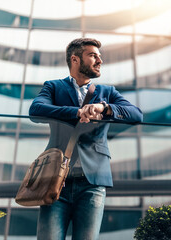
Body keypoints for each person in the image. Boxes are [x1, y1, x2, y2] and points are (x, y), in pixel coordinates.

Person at [29, 38, 143, 240]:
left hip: (93, 183)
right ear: (75, 59)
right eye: (93, 55)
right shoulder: (54, 87)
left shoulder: (107, 92)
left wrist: (104, 108)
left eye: (100, 56)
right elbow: (36, 110)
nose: (99, 60)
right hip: (55, 181)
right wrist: (77, 112)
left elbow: (136, 115)